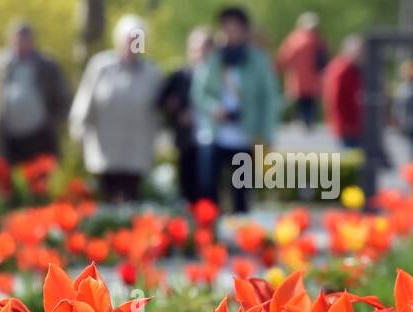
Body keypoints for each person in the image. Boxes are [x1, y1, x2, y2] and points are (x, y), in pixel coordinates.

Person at [191, 6, 280, 213]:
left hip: (244, 135)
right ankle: (210, 235)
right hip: (215, 133)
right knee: (208, 189)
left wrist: (265, 134)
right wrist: (215, 108)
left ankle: (243, 236)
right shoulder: (214, 59)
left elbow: (269, 100)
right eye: (226, 28)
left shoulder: (258, 61)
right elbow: (199, 93)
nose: (230, 33)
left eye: (235, 28)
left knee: (241, 192)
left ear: (245, 31)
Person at [69, 15, 162, 203]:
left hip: (137, 148)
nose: (133, 44)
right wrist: (78, 125)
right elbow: (85, 99)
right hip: (105, 148)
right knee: (107, 196)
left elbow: (161, 109)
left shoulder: (152, 73)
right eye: (129, 39)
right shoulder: (101, 66)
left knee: (131, 197)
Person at [0, 20, 72, 164]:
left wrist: (54, 122)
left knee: (40, 181)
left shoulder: (47, 65)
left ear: (33, 40)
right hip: (6, 138)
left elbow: (64, 98)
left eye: (26, 38)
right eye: (18, 38)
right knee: (2, 181)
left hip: (40, 137)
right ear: (10, 39)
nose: (21, 42)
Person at [158, 27, 213, 204]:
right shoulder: (180, 74)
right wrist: (177, 111)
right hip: (187, 140)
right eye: (195, 48)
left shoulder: (219, 75)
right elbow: (163, 101)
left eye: (204, 48)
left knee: (209, 188)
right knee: (187, 186)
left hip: (213, 141)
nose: (199, 53)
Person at [276, 12, 328, 129]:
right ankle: (308, 122)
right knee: (310, 104)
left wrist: (278, 71)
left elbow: (284, 58)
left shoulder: (294, 39)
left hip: (298, 79)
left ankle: (302, 122)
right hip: (314, 80)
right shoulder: (319, 40)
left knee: (301, 103)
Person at [323, 35, 364, 149]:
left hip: (353, 126)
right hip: (347, 127)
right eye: (359, 51)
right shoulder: (342, 69)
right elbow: (334, 99)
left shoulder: (352, 68)